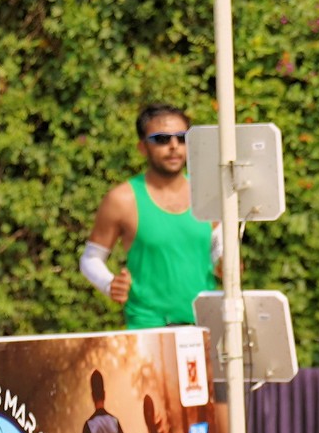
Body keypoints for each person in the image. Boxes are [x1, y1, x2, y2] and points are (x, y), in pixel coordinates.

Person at [81, 104, 220, 331]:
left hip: (204, 326)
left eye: (182, 138)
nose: (174, 146)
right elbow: (90, 259)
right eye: (161, 139)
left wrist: (225, 264)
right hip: (149, 328)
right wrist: (109, 284)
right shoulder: (122, 199)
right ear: (142, 147)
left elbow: (217, 248)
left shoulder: (207, 193)